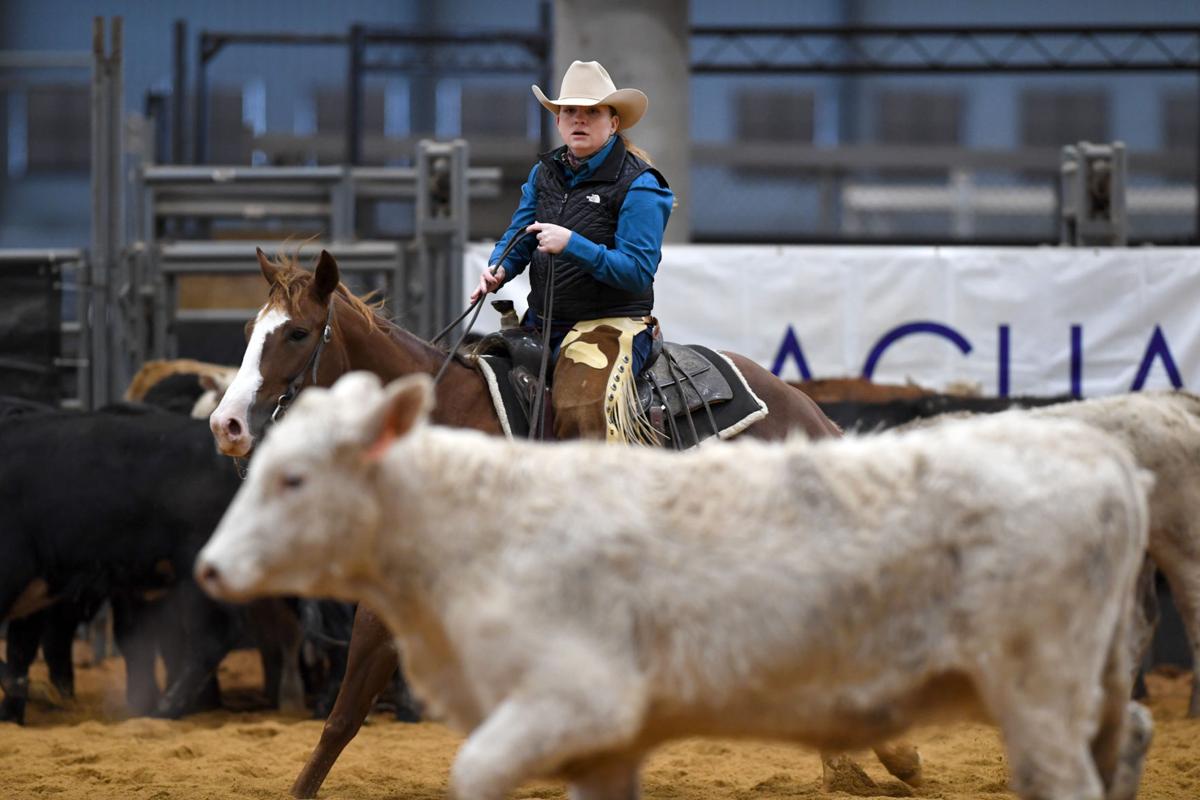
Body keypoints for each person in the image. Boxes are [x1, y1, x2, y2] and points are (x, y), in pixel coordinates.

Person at [471, 60, 674, 443]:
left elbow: (637, 272)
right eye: (569, 112)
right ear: (559, 121)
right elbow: (521, 232)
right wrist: (499, 267)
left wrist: (573, 245)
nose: (578, 120)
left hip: (612, 323)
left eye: (592, 112)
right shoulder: (544, 173)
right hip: (543, 321)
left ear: (613, 123)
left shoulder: (642, 185)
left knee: (582, 412)